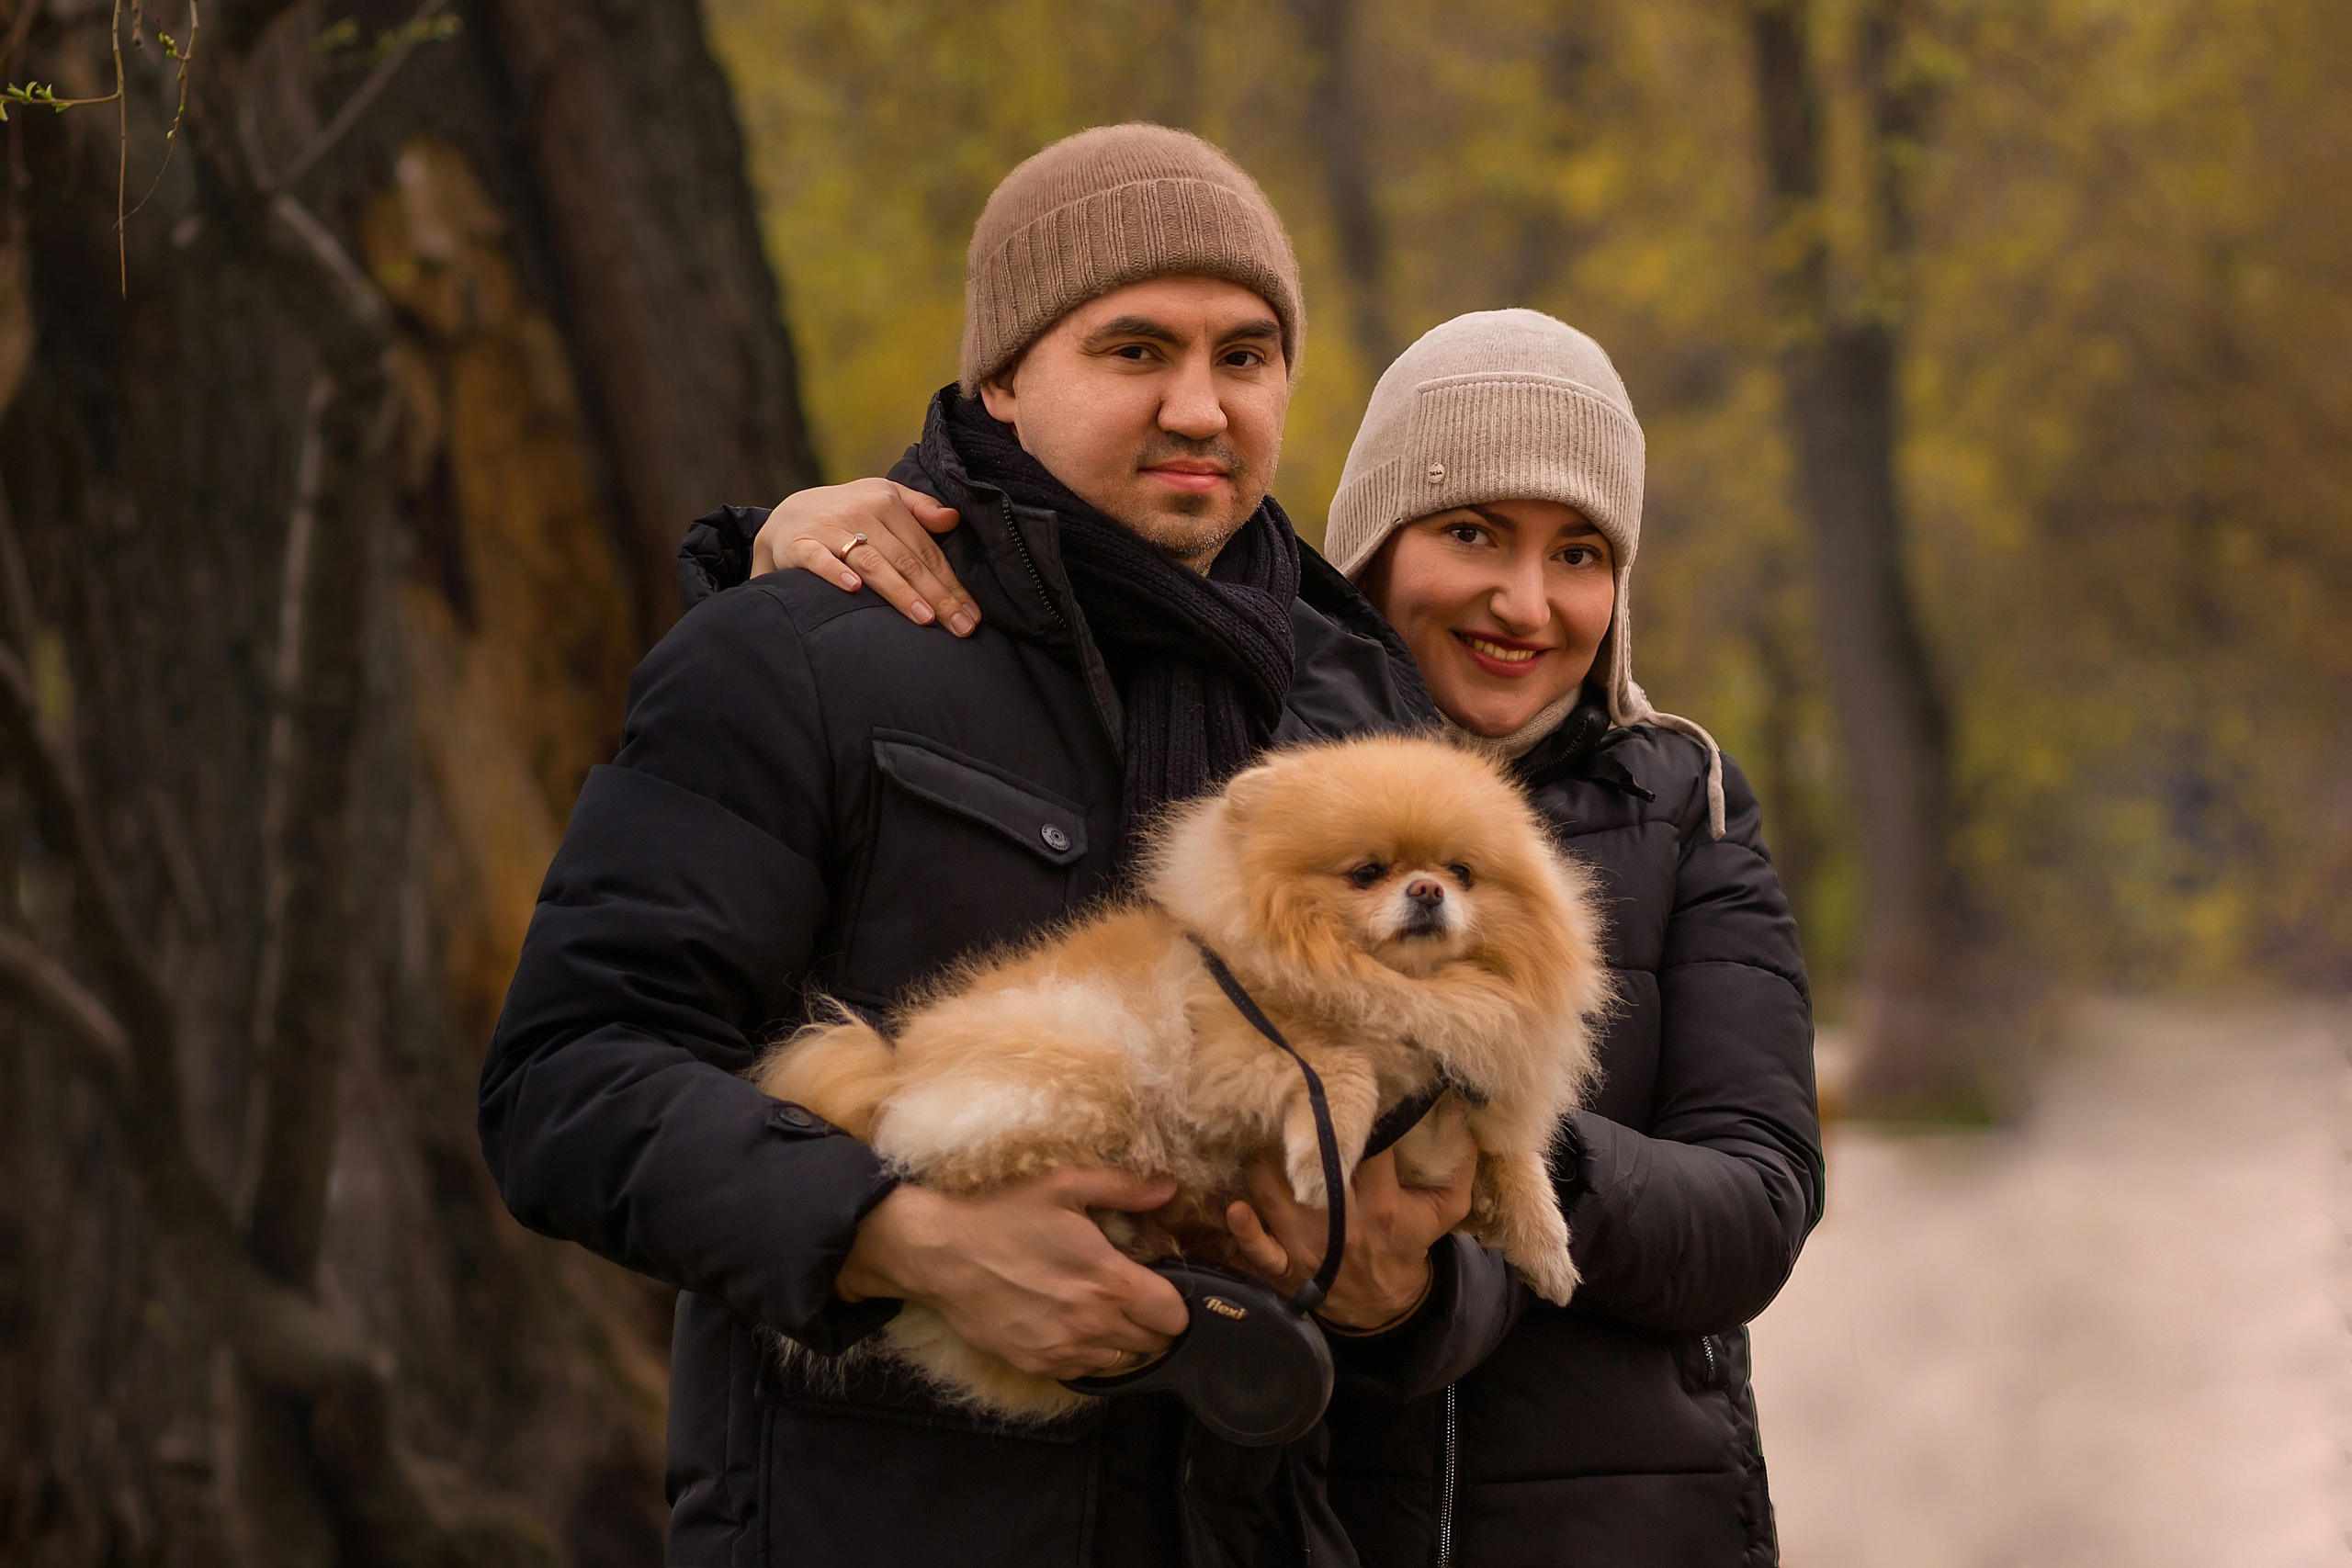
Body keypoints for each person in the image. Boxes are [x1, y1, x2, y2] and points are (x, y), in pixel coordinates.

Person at [480, 125, 1520, 1568]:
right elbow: (563, 1081)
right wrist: (899, 1236)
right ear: (1004, 379)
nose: (1201, 406)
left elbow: (1480, 1154)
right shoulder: (802, 656)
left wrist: (1409, 1295)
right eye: (1135, 349)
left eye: (1246, 355)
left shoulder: (1366, 718)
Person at [752, 307, 1826, 1566]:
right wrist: (783, 539)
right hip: (1297, 1514)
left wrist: (1477, 1144)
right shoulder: (1228, 746)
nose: (1525, 600)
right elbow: (1021, 623)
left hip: (1616, 1522)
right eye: (1472, 532)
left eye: (1580, 552)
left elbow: (1758, 1202)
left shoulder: (1684, 801)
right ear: (1374, 545)